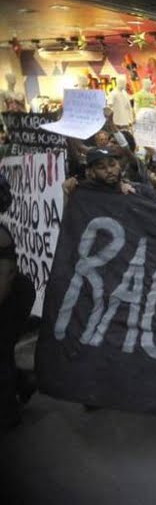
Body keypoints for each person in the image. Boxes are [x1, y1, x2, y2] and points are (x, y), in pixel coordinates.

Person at [0, 172, 36, 430]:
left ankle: (8, 413)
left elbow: (4, 279)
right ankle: (24, 382)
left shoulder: (1, 236)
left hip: (11, 298)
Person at [63, 147, 156, 204]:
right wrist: (68, 195)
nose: (109, 170)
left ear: (119, 165)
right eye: (101, 167)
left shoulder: (142, 191)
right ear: (90, 172)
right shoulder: (84, 195)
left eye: (112, 165)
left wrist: (136, 197)